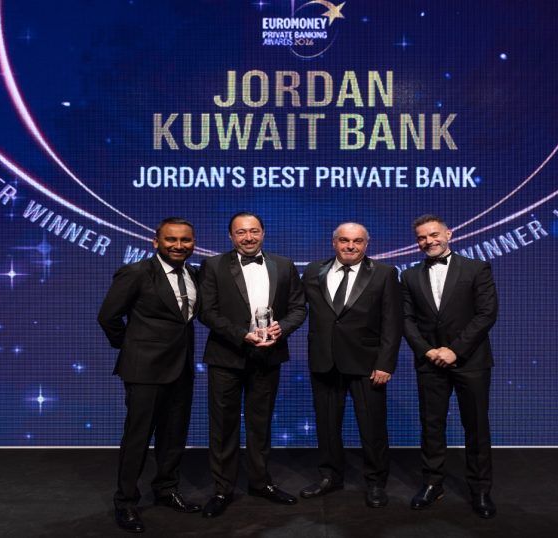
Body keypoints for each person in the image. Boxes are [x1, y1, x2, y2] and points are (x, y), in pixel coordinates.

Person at [197, 212, 307, 518]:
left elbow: (299, 308)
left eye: (254, 231)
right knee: (223, 426)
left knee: (261, 423)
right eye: (241, 232)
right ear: (230, 236)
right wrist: (241, 335)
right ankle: (223, 489)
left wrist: (282, 328)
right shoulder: (213, 265)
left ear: (263, 233)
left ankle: (260, 482)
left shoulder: (284, 265)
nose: (248, 237)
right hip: (226, 356)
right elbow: (207, 312)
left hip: (268, 356)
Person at [97, 217, 202, 533]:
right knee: (138, 438)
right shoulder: (136, 273)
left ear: (193, 243)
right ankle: (126, 502)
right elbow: (108, 317)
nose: (178, 246)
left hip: (181, 368)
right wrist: (132, 348)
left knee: (174, 436)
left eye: (185, 240)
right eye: (171, 239)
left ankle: (166, 490)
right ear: (156, 242)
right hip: (144, 370)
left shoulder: (194, 274)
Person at [400, 214, 499, 518]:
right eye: (421, 237)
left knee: (476, 427)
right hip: (430, 362)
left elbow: (486, 314)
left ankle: (480, 490)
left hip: (471, 361)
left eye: (433, 234)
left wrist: (455, 350)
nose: (428, 241)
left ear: (449, 234)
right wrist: (428, 351)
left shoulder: (476, 268)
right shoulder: (409, 276)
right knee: (432, 425)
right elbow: (406, 320)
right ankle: (433, 484)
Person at [300, 223, 402, 507]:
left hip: (367, 364)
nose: (350, 246)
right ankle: (330, 476)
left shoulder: (384, 273)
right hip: (324, 361)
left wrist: (385, 363)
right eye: (344, 240)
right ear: (334, 243)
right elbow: (296, 308)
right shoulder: (313, 271)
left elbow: (392, 322)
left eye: (357, 241)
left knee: (372, 427)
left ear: (366, 244)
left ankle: (376, 482)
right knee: (326, 425)